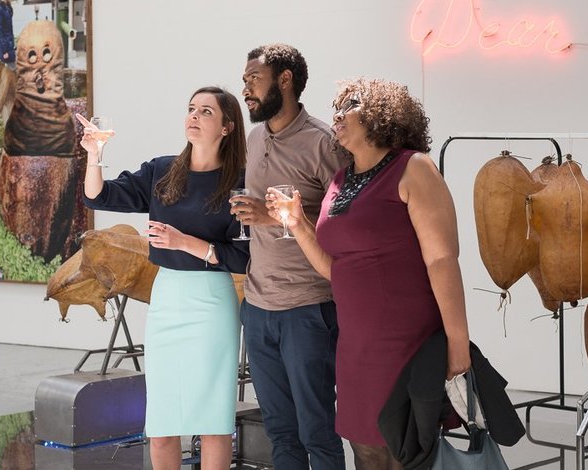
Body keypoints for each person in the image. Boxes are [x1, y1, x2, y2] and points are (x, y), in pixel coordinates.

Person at [266, 78, 472, 469]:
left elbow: (442, 260)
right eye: (336, 107)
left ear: (382, 114)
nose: (338, 115)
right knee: (366, 450)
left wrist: (457, 342)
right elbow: (335, 267)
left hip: (406, 342)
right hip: (356, 347)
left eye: (351, 104)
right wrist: (296, 223)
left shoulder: (413, 167)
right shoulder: (339, 181)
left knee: (405, 452)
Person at [80, 86, 249, 470]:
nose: (194, 116)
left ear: (226, 127)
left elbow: (243, 256)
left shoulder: (240, 180)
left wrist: (186, 243)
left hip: (212, 303)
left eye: (206, 111)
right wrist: (95, 156)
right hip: (167, 299)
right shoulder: (162, 170)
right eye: (191, 108)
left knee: (213, 424)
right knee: (162, 425)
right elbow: (99, 196)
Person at [229, 44, 346, 469]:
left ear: (285, 80)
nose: (246, 90)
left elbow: (345, 229)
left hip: (308, 309)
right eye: (244, 81)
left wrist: (272, 218)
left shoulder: (324, 143)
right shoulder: (255, 137)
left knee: (317, 430)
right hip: (258, 309)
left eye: (253, 80)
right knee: (279, 431)